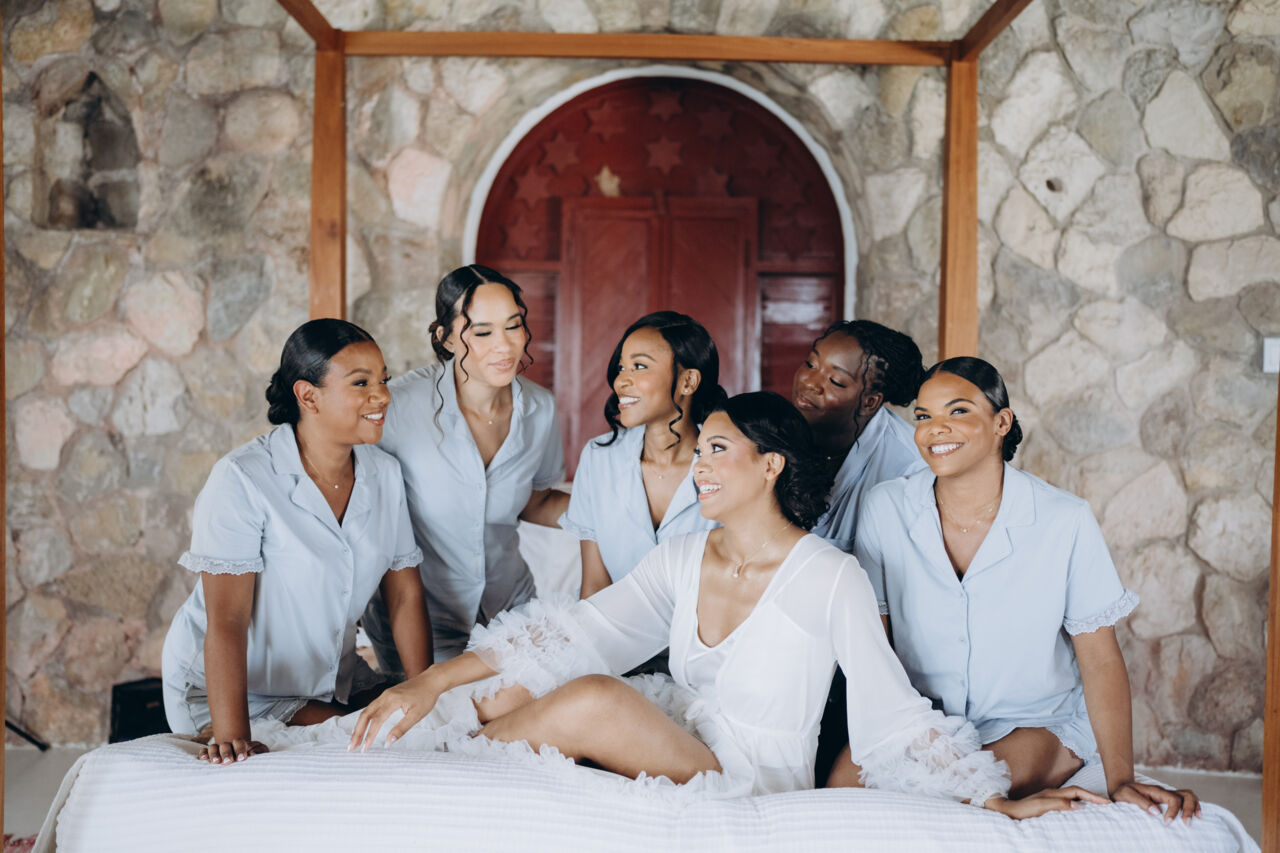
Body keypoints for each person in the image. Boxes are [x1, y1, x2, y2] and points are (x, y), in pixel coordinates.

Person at [349, 392, 1105, 818]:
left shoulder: (829, 575)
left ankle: (443, 770)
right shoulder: (682, 556)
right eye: (699, 451)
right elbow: (578, 629)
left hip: (751, 774)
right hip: (684, 735)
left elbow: (889, 708)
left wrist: (990, 799)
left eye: (717, 451)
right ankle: (412, 732)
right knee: (514, 683)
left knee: (591, 697)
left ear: (771, 464)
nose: (699, 469)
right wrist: (429, 680)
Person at [831, 356, 1200, 823]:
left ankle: (1058, 759)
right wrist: (906, 735)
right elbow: (876, 651)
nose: (935, 429)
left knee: (967, 795)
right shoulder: (885, 507)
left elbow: (1101, 658)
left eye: (958, 411)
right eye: (923, 416)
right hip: (921, 722)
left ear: (1001, 422)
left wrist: (1121, 777)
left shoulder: (1064, 519)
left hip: (1033, 720)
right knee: (838, 791)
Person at [161, 319, 431, 765]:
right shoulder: (243, 478)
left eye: (383, 380)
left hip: (331, 679)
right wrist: (233, 737)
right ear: (308, 396)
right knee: (380, 742)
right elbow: (227, 620)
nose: (382, 395)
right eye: (361, 383)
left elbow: (404, 595)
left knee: (440, 726)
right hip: (237, 693)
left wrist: (427, 695)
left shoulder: (384, 474)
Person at [365, 265, 568, 667]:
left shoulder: (541, 408)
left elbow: (537, 501)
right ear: (446, 338)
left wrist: (621, 510)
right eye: (483, 332)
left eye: (513, 326)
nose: (504, 346)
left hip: (512, 612)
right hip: (421, 624)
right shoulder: (398, 407)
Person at [562, 311, 724, 599]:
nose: (620, 382)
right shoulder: (599, 458)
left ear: (687, 381)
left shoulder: (727, 464)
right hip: (610, 624)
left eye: (639, 366)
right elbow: (594, 588)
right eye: (621, 368)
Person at [792, 319, 927, 554]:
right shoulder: (775, 431)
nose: (810, 383)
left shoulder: (908, 469)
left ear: (869, 402)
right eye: (811, 364)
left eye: (835, 381)